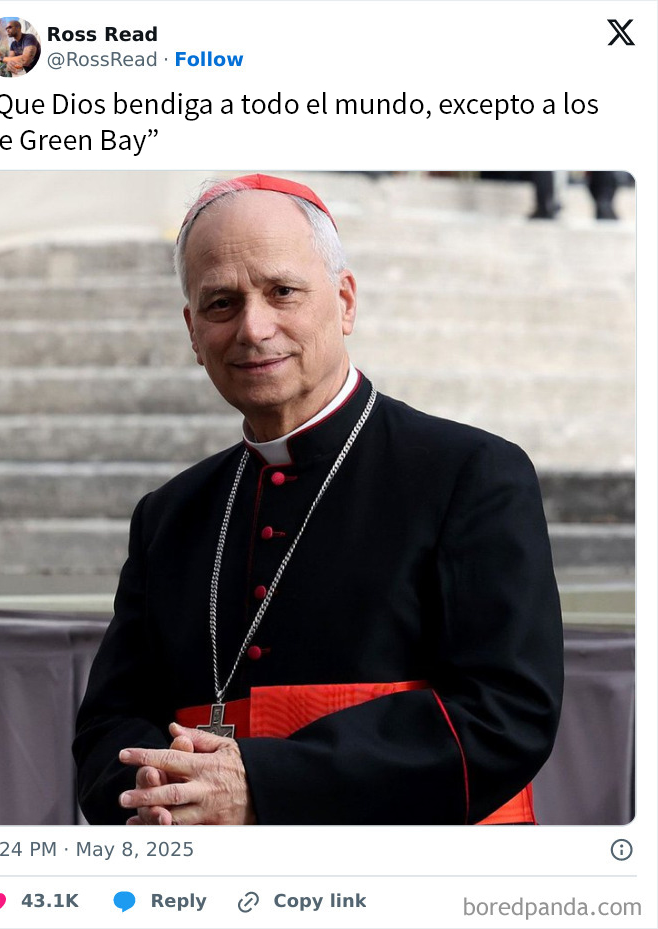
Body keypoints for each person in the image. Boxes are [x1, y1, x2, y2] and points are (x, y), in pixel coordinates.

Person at [73, 174, 564, 826]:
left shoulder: (470, 474)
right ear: (193, 332)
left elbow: (506, 714)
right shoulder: (169, 515)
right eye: (221, 303)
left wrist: (261, 786)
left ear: (345, 301)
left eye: (283, 291)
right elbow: (107, 725)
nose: (254, 328)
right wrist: (163, 791)